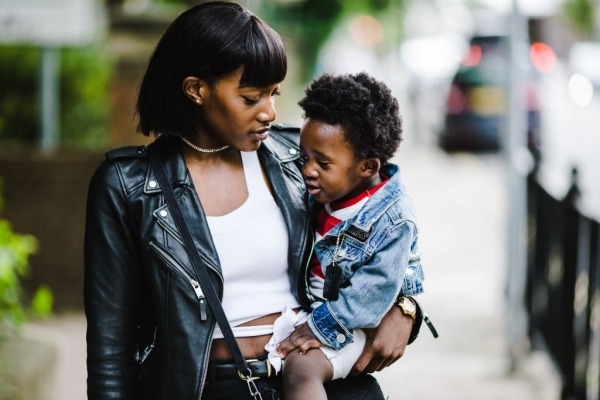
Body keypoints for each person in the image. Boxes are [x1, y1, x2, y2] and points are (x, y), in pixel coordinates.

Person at [84, 2, 423, 399]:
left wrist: (407, 305)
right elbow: (111, 341)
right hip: (212, 387)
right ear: (196, 89)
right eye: (251, 98)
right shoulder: (128, 185)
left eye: (273, 94)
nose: (270, 112)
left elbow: (385, 222)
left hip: (322, 379)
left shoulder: (296, 157)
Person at [269, 72, 425, 400]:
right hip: (315, 310)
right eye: (304, 158)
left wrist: (319, 325)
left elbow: (376, 290)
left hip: (347, 322)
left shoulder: (391, 219)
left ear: (367, 167)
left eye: (322, 163)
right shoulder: (325, 192)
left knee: (301, 370)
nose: (308, 170)